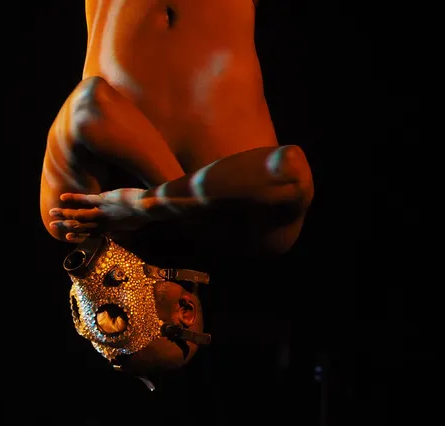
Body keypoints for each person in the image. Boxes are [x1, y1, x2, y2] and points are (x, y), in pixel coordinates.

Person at [39, 0, 314, 376]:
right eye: (117, 318)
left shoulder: (79, 221)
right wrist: (153, 204)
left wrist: (162, 203)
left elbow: (90, 104)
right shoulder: (251, 236)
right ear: (185, 310)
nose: (99, 302)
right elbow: (289, 170)